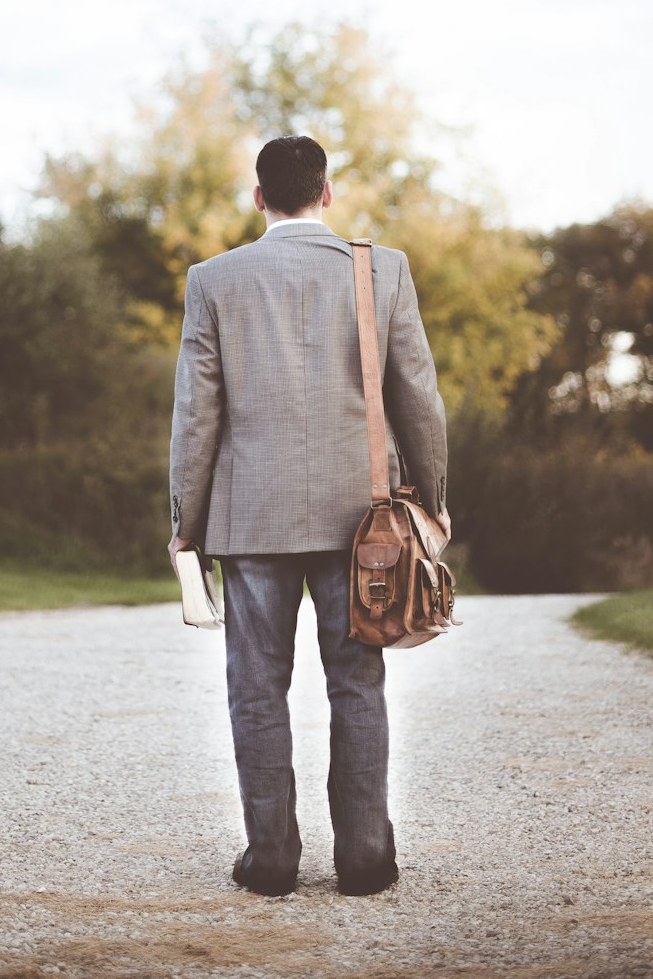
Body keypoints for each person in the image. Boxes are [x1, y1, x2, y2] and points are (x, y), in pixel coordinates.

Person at [168, 135, 450, 898]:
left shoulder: (213, 280)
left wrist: (186, 523)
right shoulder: (381, 269)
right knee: (357, 683)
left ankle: (270, 863)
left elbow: (198, 417)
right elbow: (417, 395)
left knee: (255, 689)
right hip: (365, 526)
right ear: (326, 193)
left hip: (250, 518)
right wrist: (432, 498)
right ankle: (364, 860)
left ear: (258, 198)